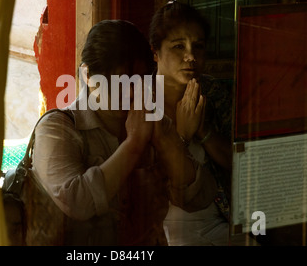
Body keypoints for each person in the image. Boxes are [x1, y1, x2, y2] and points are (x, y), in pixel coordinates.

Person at [32, 19, 218, 245]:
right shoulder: (58, 128)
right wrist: (135, 143)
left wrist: (167, 144)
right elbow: (77, 202)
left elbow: (202, 197)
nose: (132, 93)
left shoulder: (152, 120)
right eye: (120, 82)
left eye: (139, 81)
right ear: (88, 75)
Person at [149, 0, 245, 246]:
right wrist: (180, 137)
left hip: (219, 219)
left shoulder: (212, 92)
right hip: (161, 227)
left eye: (198, 46)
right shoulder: (140, 100)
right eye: (178, 46)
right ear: (155, 52)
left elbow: (241, 164)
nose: (190, 57)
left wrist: (203, 131)